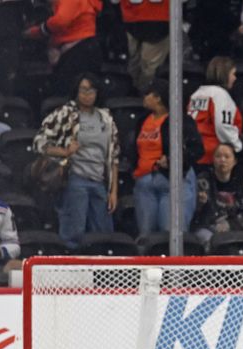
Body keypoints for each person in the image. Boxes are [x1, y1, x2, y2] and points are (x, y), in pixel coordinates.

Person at [33, 73, 119, 250]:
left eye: (91, 90)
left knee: (103, 234)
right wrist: (64, 151)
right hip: (75, 178)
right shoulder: (65, 114)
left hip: (99, 182)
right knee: (73, 234)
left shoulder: (106, 118)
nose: (87, 94)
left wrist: (113, 191)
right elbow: (39, 143)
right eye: (83, 90)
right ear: (76, 91)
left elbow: (114, 157)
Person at [125, 77, 204, 237]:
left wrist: (172, 160)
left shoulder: (181, 120)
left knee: (171, 235)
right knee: (146, 235)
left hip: (172, 181)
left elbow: (197, 149)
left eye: (148, 94)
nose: (144, 98)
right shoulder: (143, 121)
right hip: (145, 182)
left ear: (158, 97)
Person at [23, 0, 102, 97]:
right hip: (83, 48)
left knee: (67, 93)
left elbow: (61, 20)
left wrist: (39, 31)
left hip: (78, 50)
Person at [191, 142, 243, 247]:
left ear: (234, 161)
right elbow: (195, 214)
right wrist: (200, 203)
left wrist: (230, 225)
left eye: (227, 156)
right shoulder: (203, 180)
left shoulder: (242, 182)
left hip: (235, 228)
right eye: (218, 156)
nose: (222, 160)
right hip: (208, 228)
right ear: (213, 159)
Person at [187, 56, 243, 167]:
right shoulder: (220, 95)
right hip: (212, 155)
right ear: (225, 74)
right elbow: (222, 126)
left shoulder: (197, 94)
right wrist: (236, 147)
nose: (235, 78)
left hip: (194, 151)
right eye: (233, 74)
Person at [114, 0, 169, 94]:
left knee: (149, 66)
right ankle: (135, 94)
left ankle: (143, 96)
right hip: (132, 19)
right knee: (135, 64)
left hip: (158, 20)